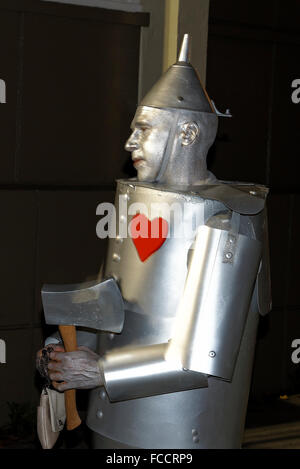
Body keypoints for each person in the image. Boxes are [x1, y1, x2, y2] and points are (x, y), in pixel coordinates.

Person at [37, 34, 271, 449]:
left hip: (180, 438)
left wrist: (100, 372)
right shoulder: (138, 202)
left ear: (186, 133)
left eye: (143, 129)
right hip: (110, 424)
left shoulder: (228, 218)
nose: (130, 143)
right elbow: (116, 302)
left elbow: (203, 356)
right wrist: (64, 349)